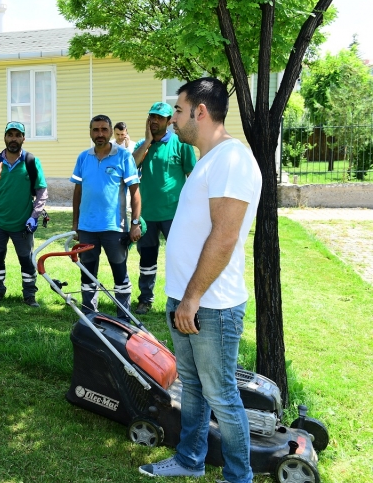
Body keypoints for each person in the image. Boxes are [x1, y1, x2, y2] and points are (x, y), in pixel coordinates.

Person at [139, 78, 261, 483]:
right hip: (187, 300)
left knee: (222, 395)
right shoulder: (207, 159)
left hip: (210, 304)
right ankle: (190, 458)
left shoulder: (232, 159)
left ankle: (238, 477)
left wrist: (191, 298)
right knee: (191, 386)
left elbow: (224, 237)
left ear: (200, 112)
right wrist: (180, 298)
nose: (172, 118)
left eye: (177, 110)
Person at [71, 115, 142, 319]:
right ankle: (89, 316)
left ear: (111, 132)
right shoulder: (83, 157)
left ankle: (124, 317)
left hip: (114, 228)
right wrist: (76, 224)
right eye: (95, 130)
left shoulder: (123, 156)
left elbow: (135, 192)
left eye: (104, 129)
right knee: (87, 273)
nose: (100, 134)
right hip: (87, 228)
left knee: (119, 273)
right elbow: (77, 192)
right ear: (90, 132)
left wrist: (135, 222)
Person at [0, 121, 49, 308]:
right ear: (5, 137)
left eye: (17, 135)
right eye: (10, 135)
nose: (13, 139)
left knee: (27, 260)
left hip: (23, 224)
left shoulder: (31, 162)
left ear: (23, 138)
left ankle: (29, 295)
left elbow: (42, 191)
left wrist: (35, 215)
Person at [131, 102, 197, 314]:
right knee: (147, 260)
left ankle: (182, 300)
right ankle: (145, 299)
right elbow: (132, 166)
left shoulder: (181, 144)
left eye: (160, 117)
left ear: (169, 121)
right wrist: (148, 142)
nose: (155, 120)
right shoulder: (143, 145)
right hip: (147, 215)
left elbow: (192, 176)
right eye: (152, 116)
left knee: (179, 258)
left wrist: (194, 209)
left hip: (174, 214)